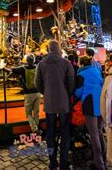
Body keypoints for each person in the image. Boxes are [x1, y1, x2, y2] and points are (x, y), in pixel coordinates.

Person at [35, 40, 75, 170]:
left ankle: (52, 162)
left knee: (50, 132)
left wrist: (46, 92)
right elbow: (71, 82)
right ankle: (64, 162)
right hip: (64, 103)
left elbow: (37, 83)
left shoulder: (41, 64)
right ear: (58, 49)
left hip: (49, 102)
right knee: (65, 131)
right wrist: (66, 94)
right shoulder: (66, 63)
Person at [74, 56, 107, 170]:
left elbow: (78, 92)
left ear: (81, 64)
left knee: (94, 135)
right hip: (101, 103)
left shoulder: (81, 74)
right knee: (100, 133)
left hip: (90, 105)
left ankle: (99, 164)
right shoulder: (97, 71)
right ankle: (104, 159)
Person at [10, 54, 41, 134]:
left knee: (28, 113)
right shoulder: (37, 67)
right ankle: (37, 128)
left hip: (28, 93)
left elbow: (13, 69)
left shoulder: (23, 68)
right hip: (37, 92)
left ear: (27, 61)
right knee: (36, 112)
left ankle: (35, 129)